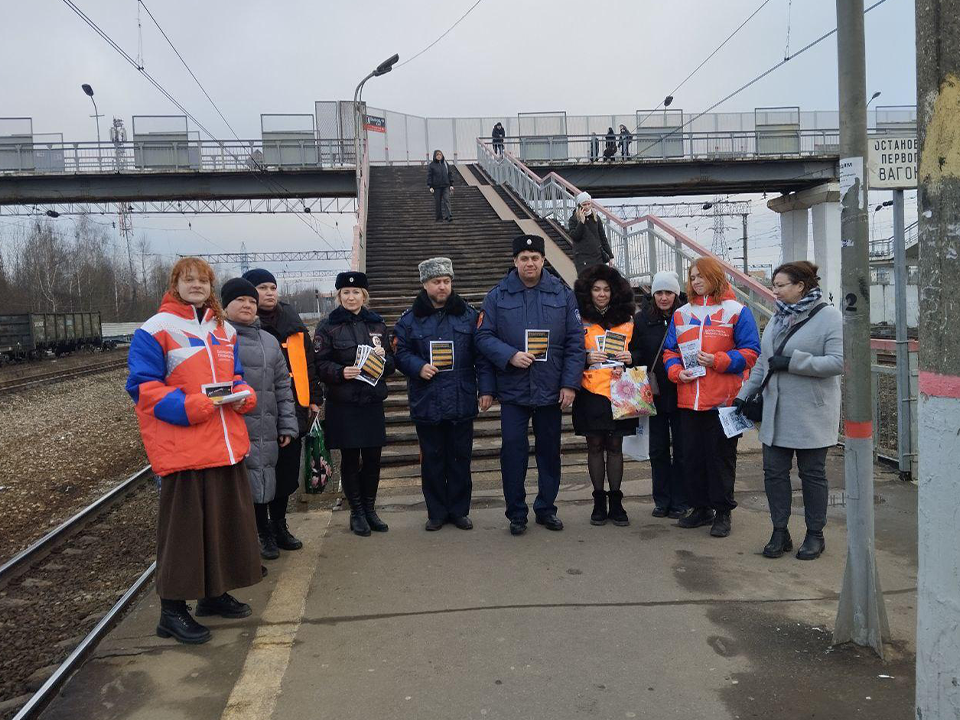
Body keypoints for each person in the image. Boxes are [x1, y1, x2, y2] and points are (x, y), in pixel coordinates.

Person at [126, 257, 260, 645]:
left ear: (210, 286)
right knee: (183, 532)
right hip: (183, 446)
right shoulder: (155, 330)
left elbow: (234, 376)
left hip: (223, 443)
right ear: (175, 284)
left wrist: (244, 393)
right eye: (189, 280)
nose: (197, 286)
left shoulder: (224, 330)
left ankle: (213, 595)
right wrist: (189, 408)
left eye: (203, 280)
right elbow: (143, 389)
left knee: (221, 524)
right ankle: (171, 611)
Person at [476, 235, 585, 535]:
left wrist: (570, 384)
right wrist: (510, 355)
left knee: (549, 452)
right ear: (515, 262)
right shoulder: (497, 296)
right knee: (513, 451)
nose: (530, 263)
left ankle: (546, 508)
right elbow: (483, 337)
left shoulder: (562, 294)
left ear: (543, 260)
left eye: (535, 257)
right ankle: (516, 513)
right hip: (513, 391)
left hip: (551, 390)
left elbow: (576, 343)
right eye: (524, 258)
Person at [734, 261, 842, 561]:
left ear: (801, 287)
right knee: (774, 473)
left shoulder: (829, 317)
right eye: (774, 285)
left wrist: (795, 363)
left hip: (811, 413)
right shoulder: (778, 319)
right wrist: (744, 395)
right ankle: (779, 531)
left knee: (812, 475)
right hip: (776, 412)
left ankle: (815, 534)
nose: (775, 291)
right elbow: (763, 363)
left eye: (780, 285)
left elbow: (837, 362)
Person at [393, 257, 496, 531]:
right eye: (437, 282)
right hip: (428, 398)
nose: (442, 286)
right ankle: (436, 512)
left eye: (447, 281)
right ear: (425, 284)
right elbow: (400, 353)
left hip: (461, 396)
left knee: (460, 458)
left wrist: (486, 389)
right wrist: (418, 367)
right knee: (433, 459)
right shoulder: (409, 320)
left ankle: (460, 510)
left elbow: (482, 357)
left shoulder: (469, 316)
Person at [663, 257, 760, 538]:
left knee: (720, 459)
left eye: (701, 276)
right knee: (692, 457)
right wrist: (676, 372)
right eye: (692, 277)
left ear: (714, 277)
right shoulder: (681, 313)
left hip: (724, 402)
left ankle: (723, 512)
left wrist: (717, 360)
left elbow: (751, 352)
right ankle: (700, 508)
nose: (695, 281)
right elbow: (670, 351)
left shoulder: (736, 311)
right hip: (689, 399)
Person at [242, 268, 322, 557]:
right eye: (262, 287)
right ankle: (262, 532)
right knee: (260, 474)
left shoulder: (293, 322)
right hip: (256, 415)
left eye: (272, 287)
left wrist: (314, 398)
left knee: (286, 475)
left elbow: (309, 363)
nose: (269, 292)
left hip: (293, 408)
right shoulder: (244, 327)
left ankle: (279, 525)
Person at [222, 277, 300, 562]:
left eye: (251, 302)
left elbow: (283, 386)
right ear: (225, 306)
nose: (247, 306)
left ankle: (276, 527)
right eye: (240, 301)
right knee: (248, 484)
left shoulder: (268, 340)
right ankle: (259, 532)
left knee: (274, 478)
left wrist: (288, 424)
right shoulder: (219, 338)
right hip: (237, 428)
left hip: (269, 425)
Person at [314, 271, 395, 536]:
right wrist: (340, 372)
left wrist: (383, 359)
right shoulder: (327, 326)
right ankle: (357, 512)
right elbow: (319, 364)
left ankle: (371, 510)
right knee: (350, 460)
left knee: (373, 459)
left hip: (371, 401)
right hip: (344, 403)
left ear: (364, 296)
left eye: (356, 292)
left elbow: (393, 364)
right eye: (346, 293)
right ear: (339, 296)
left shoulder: (377, 324)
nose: (351, 297)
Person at [572, 265, 639, 527]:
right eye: (596, 289)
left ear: (615, 292)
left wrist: (632, 357)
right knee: (595, 446)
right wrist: (586, 358)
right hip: (590, 391)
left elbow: (643, 350)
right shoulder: (578, 320)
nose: (601, 294)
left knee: (615, 446)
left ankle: (617, 501)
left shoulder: (629, 319)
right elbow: (567, 351)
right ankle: (598, 500)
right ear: (589, 292)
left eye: (606, 289)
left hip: (621, 390)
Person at [633, 271, 688, 519]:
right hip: (653, 392)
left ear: (676, 294)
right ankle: (661, 499)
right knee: (657, 449)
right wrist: (631, 359)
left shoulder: (686, 316)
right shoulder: (642, 320)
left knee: (683, 447)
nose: (663, 297)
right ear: (652, 294)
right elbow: (636, 351)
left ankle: (680, 499)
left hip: (682, 390)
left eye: (668, 292)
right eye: (659, 292)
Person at [568, 191, 614, 274]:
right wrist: (581, 222)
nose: (587, 207)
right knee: (586, 283)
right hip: (582, 257)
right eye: (584, 204)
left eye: (589, 204)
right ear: (579, 205)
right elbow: (575, 236)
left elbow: (603, 238)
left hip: (597, 256)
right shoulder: (573, 219)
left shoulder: (596, 218)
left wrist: (610, 256)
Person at [427, 149, 454, 223]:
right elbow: (429, 176)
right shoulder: (432, 165)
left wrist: (451, 184)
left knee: (447, 200)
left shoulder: (445, 164)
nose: (439, 156)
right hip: (436, 186)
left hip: (445, 185)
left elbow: (450, 174)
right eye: (437, 155)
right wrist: (430, 186)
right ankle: (439, 218)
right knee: (438, 202)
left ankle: (449, 216)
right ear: (435, 156)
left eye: (440, 154)